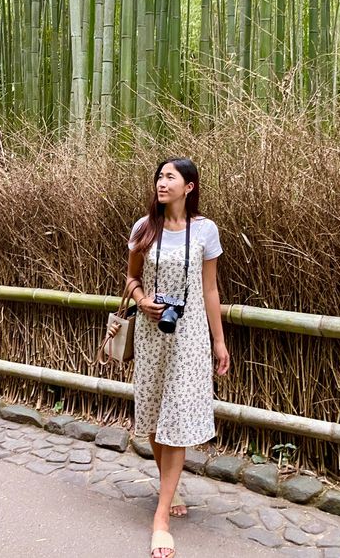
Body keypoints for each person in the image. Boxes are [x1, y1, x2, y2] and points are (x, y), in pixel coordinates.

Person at [126, 157, 230, 558]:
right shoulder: (144, 228)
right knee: (153, 416)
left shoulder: (206, 230)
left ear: (189, 186)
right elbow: (131, 278)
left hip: (188, 337)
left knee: (177, 419)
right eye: (159, 176)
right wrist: (143, 300)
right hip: (153, 336)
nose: (161, 182)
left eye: (170, 176)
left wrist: (219, 343)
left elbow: (209, 291)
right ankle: (169, 491)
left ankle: (160, 519)